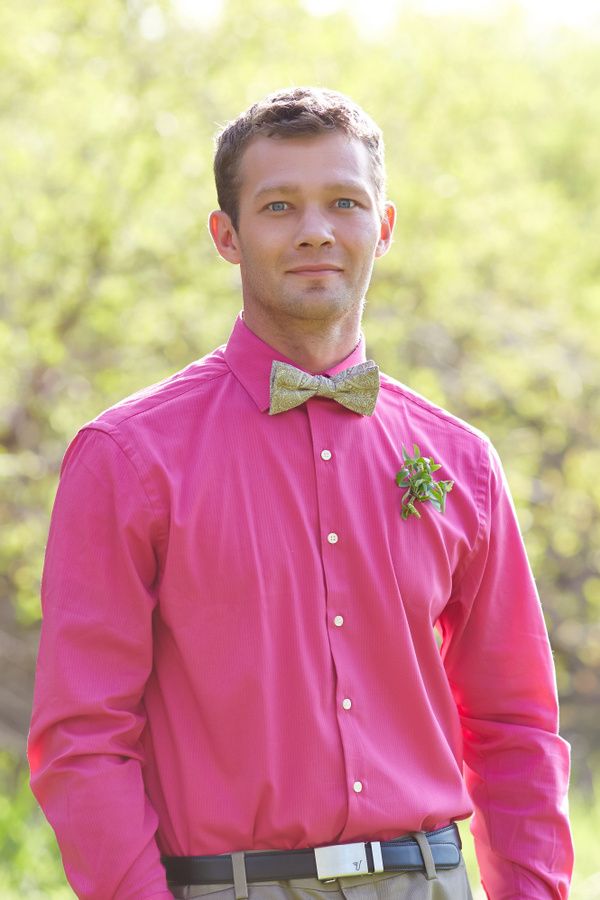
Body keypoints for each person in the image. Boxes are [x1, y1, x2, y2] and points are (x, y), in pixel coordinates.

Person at [28, 87, 573, 900]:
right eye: (279, 205)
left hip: (430, 880)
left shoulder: (462, 462)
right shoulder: (128, 458)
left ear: (383, 228)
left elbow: (515, 726)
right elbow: (83, 739)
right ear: (227, 236)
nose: (316, 229)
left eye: (344, 202)